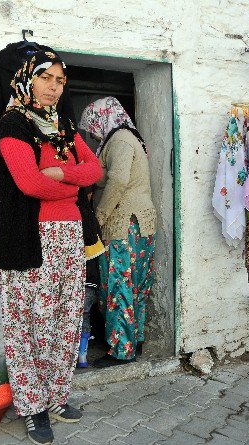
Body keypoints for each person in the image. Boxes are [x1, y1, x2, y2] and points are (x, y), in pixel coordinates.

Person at [0, 51, 102, 445]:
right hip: (29, 240)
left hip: (69, 238)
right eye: (47, 78)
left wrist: (64, 173)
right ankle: (32, 405)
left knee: (65, 320)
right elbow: (30, 183)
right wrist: (75, 186)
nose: (54, 87)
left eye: (60, 80)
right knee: (28, 325)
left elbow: (96, 169)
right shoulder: (12, 125)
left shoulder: (64, 126)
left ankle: (55, 395)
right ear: (27, 80)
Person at [79, 97, 157, 368]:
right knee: (133, 285)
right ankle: (133, 340)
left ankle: (121, 350)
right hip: (136, 224)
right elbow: (107, 175)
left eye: (92, 126)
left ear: (101, 118)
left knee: (119, 286)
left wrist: (98, 217)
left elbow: (118, 180)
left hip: (124, 223)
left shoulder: (120, 140)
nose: (92, 132)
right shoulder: (122, 138)